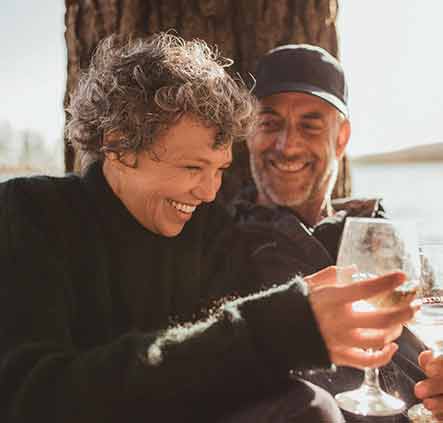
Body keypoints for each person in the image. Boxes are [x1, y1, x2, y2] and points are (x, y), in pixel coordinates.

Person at [0, 33, 416, 423]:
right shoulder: (30, 212)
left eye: (219, 170)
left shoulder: (209, 231)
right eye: (192, 167)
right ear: (120, 145)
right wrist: (270, 328)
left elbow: (227, 377)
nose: (210, 191)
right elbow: (30, 397)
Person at [229, 43, 443, 421]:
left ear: (341, 138)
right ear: (249, 131)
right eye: (270, 123)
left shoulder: (383, 236)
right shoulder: (219, 240)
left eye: (309, 125)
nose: (287, 144)